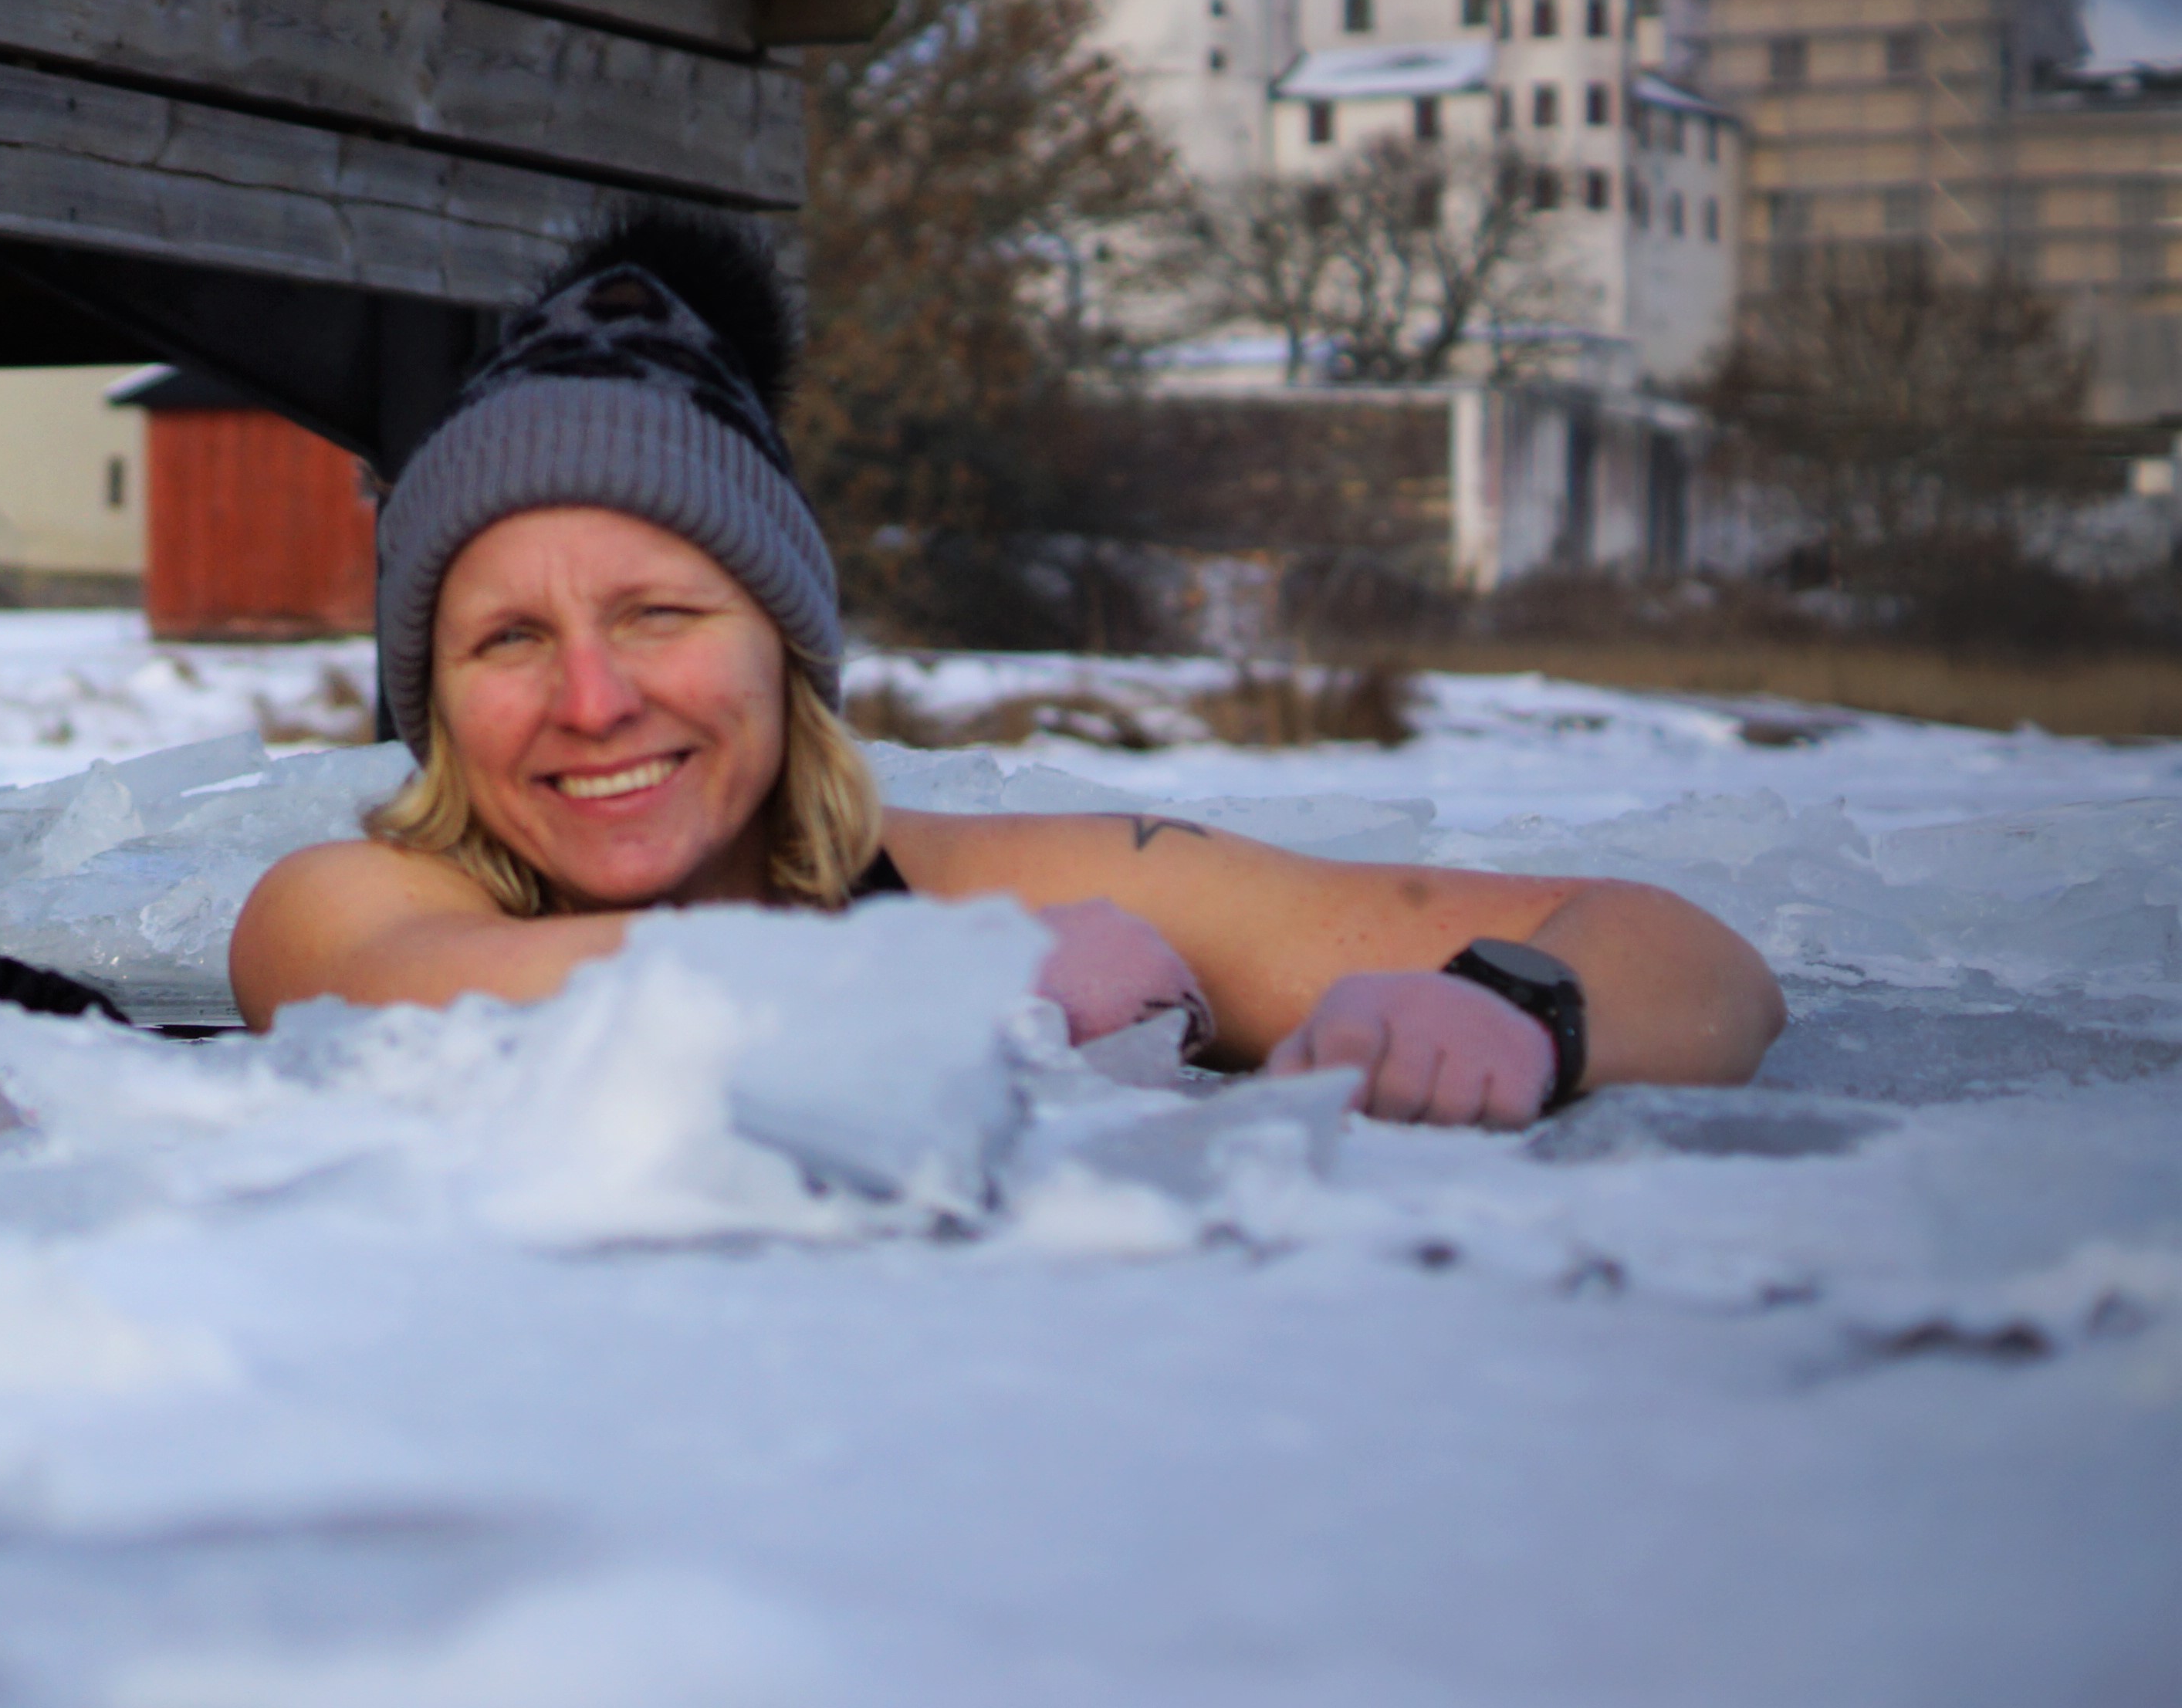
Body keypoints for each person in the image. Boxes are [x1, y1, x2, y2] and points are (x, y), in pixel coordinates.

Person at [222, 213, 1782, 1126]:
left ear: (787, 647)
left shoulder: (982, 884)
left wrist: (1523, 1012)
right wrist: (927, 987)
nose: (591, 700)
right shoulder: (353, 906)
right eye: (508, 637)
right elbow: (411, 1003)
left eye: (659, 614)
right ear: (431, 692)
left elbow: (1696, 958)